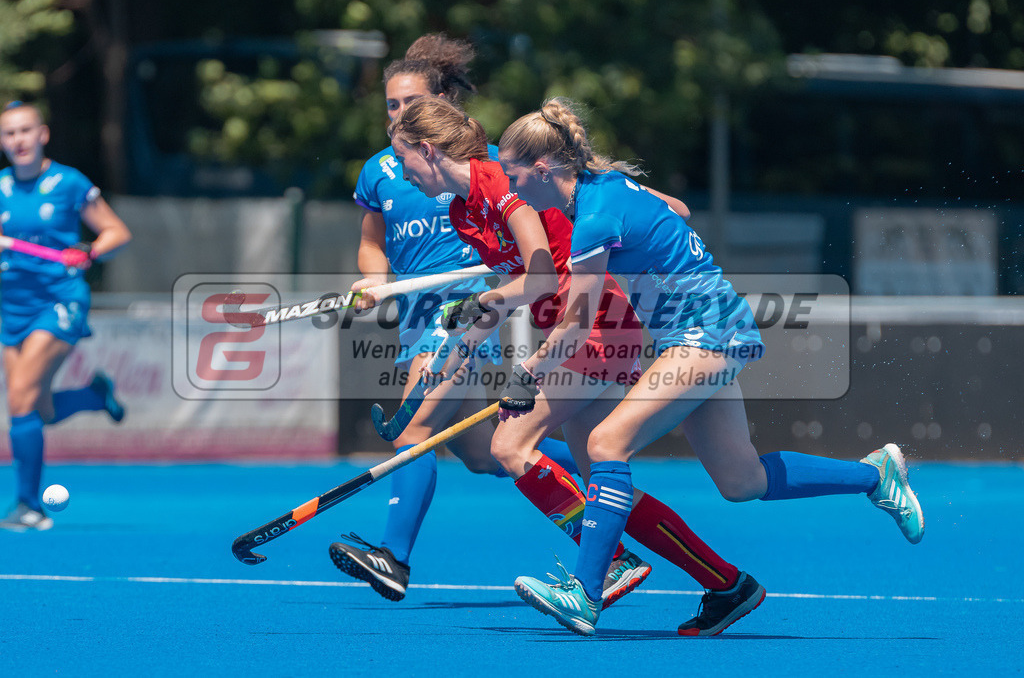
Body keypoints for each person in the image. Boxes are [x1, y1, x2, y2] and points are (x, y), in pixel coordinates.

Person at [495, 98, 926, 636]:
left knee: (605, 445)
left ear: (542, 169)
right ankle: (875, 475)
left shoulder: (593, 219)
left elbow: (577, 324)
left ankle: (584, 593)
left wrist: (526, 375)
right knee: (741, 480)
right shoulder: (610, 187)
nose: (510, 189)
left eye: (513, 174)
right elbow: (678, 210)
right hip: (709, 331)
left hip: (706, 335)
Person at [389, 94, 763, 624]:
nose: (402, 175)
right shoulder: (463, 211)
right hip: (567, 330)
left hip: (594, 323)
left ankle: (606, 569)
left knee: (510, 445)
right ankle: (726, 582)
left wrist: (515, 349)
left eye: (401, 158)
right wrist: (462, 344)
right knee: (600, 480)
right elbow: (513, 290)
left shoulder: (502, 183)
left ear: (427, 150)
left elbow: (543, 279)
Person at [327, 35, 643, 605]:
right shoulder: (392, 175)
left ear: (440, 111)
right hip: (435, 313)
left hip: (484, 306)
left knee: (419, 432)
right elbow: (375, 246)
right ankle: (604, 487)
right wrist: (377, 284)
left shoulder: (496, 170)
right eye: (391, 104)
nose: (397, 114)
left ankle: (394, 557)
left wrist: (473, 318)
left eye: (410, 104)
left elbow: (547, 242)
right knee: (485, 452)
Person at [0, 101, 131, 531]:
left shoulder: (68, 182)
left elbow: (117, 232)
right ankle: (93, 396)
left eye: (25, 130)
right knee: (38, 409)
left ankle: (28, 507)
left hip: (59, 301)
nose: (18, 140)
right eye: (9, 133)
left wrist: (89, 250)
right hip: (11, 308)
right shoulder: (0, 187)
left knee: (20, 398)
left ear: (43, 135)